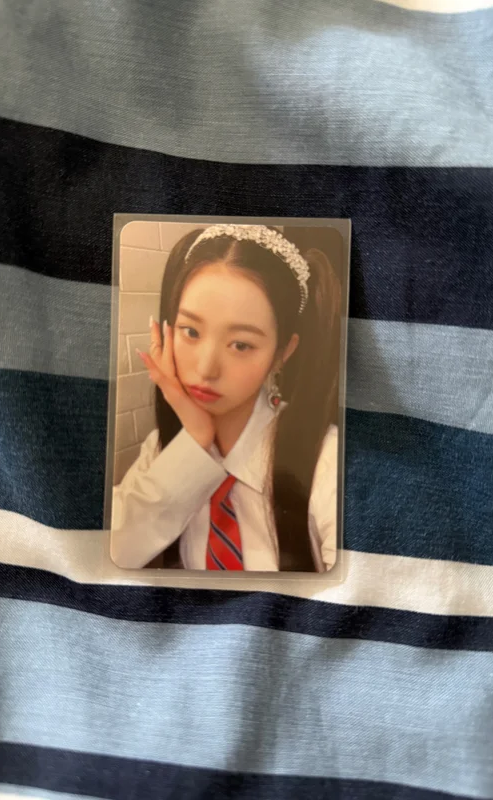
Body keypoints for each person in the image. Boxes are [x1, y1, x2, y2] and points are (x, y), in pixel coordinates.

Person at [110, 224, 341, 572]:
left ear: (283, 352)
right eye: (190, 331)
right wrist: (195, 439)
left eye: (241, 345)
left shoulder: (327, 460)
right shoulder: (161, 449)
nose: (206, 368)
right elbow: (105, 554)